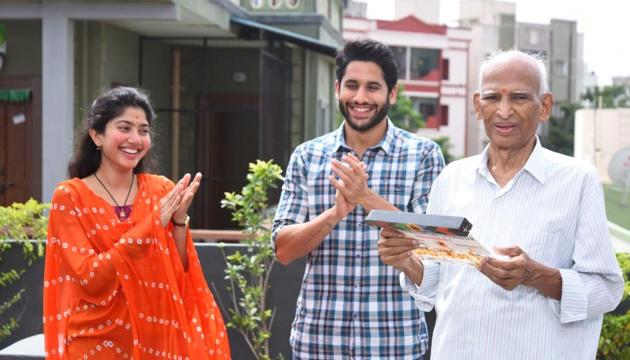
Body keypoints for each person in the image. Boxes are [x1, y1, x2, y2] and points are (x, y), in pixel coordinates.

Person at [378, 50, 624, 359]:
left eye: (519, 98)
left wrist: (535, 275)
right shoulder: (452, 178)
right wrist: (405, 261)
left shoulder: (577, 181)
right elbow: (439, 279)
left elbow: (607, 290)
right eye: (493, 98)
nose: (504, 111)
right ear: (477, 105)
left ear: (544, 106)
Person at [272, 39, 444, 359]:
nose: (360, 98)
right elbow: (283, 249)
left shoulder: (423, 155)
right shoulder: (307, 156)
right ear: (338, 88)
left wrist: (365, 198)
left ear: (391, 94)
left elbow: (434, 242)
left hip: (395, 345)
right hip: (318, 345)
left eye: (372, 87)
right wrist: (334, 215)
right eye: (352, 85)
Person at [43, 87, 230, 359]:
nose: (135, 139)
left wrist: (178, 222)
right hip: (94, 342)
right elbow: (90, 279)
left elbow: (179, 273)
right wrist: (150, 227)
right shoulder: (70, 196)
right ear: (97, 135)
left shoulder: (161, 190)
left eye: (143, 130)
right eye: (125, 127)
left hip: (156, 338)